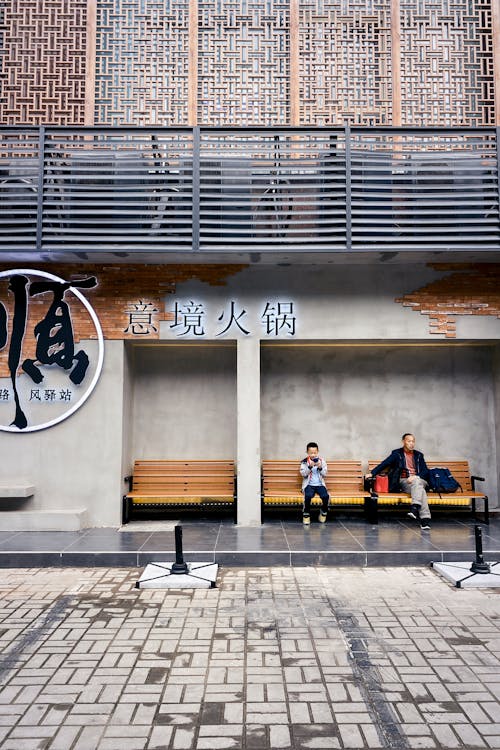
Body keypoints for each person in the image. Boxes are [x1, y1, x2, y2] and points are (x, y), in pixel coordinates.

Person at [366, 433, 432, 530]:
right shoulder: (397, 454)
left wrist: (415, 476)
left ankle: (415, 507)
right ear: (403, 442)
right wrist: (372, 473)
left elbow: (425, 471)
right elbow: (385, 463)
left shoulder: (419, 455)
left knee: (417, 483)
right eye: (409, 441)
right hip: (404, 482)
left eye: (413, 441)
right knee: (420, 491)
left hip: (420, 480)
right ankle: (424, 519)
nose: (411, 443)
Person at [300, 441, 329, 526]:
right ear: (307, 452)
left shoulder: (322, 461)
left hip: (320, 484)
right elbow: (303, 474)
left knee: (325, 496)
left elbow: (325, 474)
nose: (313, 455)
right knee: (308, 496)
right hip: (309, 485)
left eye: (315, 453)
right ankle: (306, 514)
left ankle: (323, 512)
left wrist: (320, 467)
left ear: (317, 452)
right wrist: (310, 466)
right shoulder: (304, 462)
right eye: (311, 453)